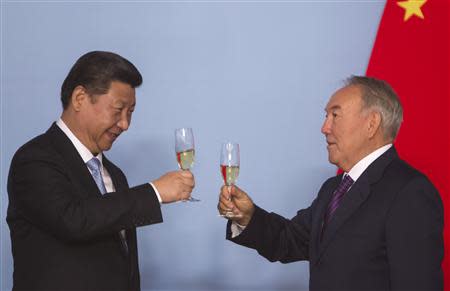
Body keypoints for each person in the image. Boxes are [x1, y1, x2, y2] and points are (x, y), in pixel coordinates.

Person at [218, 76, 443, 290]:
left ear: (372, 124)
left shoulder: (409, 191)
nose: (324, 128)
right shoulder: (333, 188)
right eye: (326, 116)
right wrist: (245, 216)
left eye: (335, 116)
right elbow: (290, 240)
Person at [7, 51, 195, 290]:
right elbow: (74, 220)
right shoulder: (34, 160)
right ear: (79, 98)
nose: (125, 124)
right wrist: (154, 192)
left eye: (131, 112)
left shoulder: (115, 175)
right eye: (118, 110)